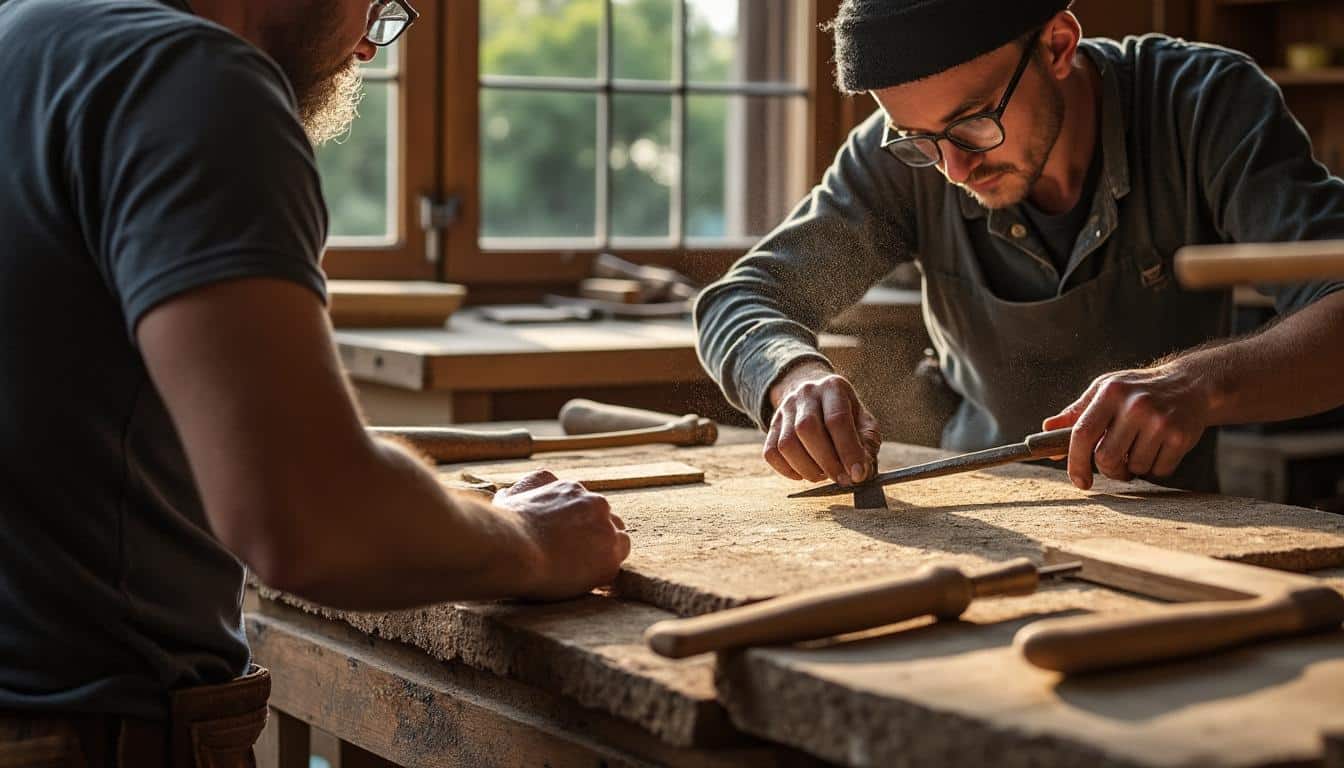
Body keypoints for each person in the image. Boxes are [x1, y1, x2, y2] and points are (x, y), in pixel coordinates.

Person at [0, 0, 629, 764]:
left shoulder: (24, 39)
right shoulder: (188, 80)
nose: (370, 43)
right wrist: (528, 540)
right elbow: (306, 517)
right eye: (377, 3)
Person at [696, 0, 1344, 494]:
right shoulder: (903, 158)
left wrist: (1199, 383)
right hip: (977, 512)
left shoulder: (1201, 107)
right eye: (917, 136)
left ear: (1058, 45)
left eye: (974, 121)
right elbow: (742, 300)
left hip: (1172, 521)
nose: (952, 169)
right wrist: (794, 376)